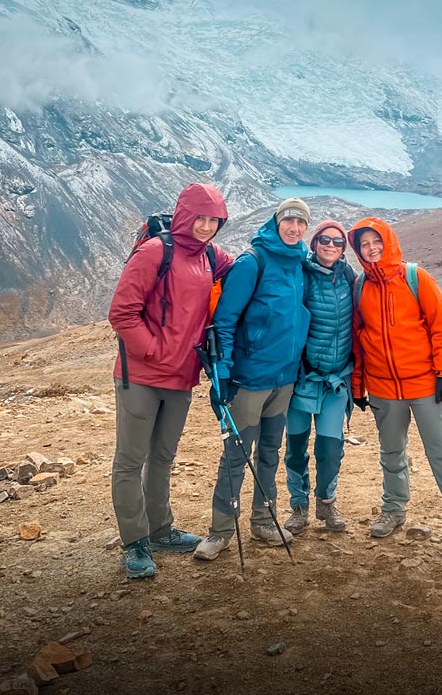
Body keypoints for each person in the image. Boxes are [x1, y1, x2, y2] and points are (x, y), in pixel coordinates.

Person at [108, 183, 233, 579]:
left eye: (215, 220)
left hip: (181, 380)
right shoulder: (154, 253)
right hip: (142, 376)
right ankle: (135, 542)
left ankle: (160, 530)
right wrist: (153, 351)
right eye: (201, 218)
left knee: (162, 457)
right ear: (184, 215)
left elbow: (247, 268)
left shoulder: (211, 256)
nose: (207, 226)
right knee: (131, 460)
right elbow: (122, 312)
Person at [348, 217, 442, 561]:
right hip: (382, 386)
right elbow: (358, 340)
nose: (371, 248)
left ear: (388, 241)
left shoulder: (415, 277)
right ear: (358, 251)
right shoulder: (360, 286)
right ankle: (393, 510)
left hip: (424, 384)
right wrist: (358, 385)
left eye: (375, 242)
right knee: (391, 453)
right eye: (364, 245)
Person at [194, 196, 311, 560]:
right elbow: (225, 321)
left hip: (284, 381)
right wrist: (224, 372)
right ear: (276, 222)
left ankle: (263, 521)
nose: (294, 228)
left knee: (270, 453)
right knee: (236, 455)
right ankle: (220, 531)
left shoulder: (299, 264)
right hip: (250, 380)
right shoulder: (253, 262)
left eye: (301, 223)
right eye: (288, 221)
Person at [284, 219, 355, 534]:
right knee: (296, 447)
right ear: (314, 244)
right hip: (302, 380)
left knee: (330, 448)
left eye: (338, 242)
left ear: (343, 249)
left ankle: (326, 503)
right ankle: (298, 506)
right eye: (324, 239)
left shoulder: (349, 278)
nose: (330, 245)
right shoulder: (302, 275)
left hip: (335, 382)